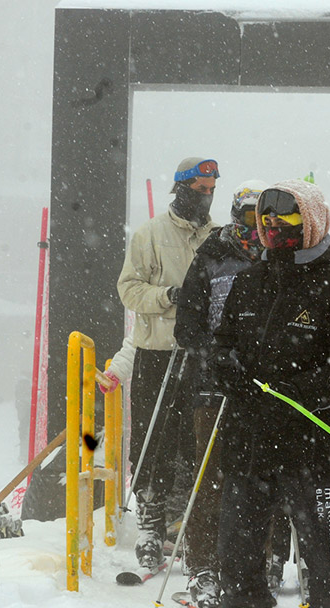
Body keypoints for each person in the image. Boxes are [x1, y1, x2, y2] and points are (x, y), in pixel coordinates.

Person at [207, 179, 330, 608]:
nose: (273, 228)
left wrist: (297, 389)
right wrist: (226, 366)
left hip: (309, 445)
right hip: (249, 441)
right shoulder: (251, 281)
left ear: (311, 221)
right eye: (266, 219)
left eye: (287, 218)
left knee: (327, 559)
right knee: (237, 551)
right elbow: (223, 341)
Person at [117, 156, 220, 569]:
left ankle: (188, 520)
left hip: (201, 354)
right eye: (199, 190)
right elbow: (128, 289)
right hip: (159, 350)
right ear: (181, 188)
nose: (206, 197)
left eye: (211, 190)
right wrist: (168, 296)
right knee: (152, 436)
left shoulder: (217, 236)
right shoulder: (151, 234)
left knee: (194, 440)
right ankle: (150, 520)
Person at [172, 179, 267, 608]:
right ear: (235, 215)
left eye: (263, 218)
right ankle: (203, 566)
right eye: (249, 217)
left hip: (260, 388)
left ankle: (255, 564)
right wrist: (215, 352)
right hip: (214, 384)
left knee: (257, 479)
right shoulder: (212, 255)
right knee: (210, 479)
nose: (257, 226)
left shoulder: (276, 255)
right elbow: (186, 324)